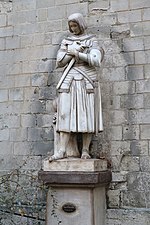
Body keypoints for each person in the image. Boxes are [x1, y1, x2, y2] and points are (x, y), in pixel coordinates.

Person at [49, 13, 104, 162]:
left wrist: (79, 54)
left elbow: (96, 60)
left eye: (75, 25)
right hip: (69, 79)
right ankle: (62, 150)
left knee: (87, 115)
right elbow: (59, 62)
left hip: (87, 80)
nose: (73, 29)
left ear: (81, 24)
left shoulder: (91, 40)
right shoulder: (66, 41)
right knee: (64, 114)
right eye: (71, 26)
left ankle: (85, 150)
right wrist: (70, 53)